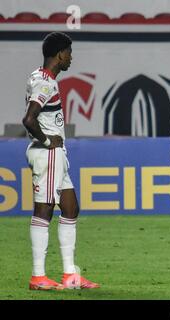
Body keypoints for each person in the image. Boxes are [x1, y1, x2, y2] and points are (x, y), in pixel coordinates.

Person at [22, 32, 99, 290]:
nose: (71, 57)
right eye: (69, 52)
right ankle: (38, 277)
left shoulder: (39, 76)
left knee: (70, 208)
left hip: (56, 154)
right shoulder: (46, 83)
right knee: (44, 210)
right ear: (60, 54)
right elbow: (29, 120)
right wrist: (47, 141)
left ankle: (69, 275)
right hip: (48, 153)